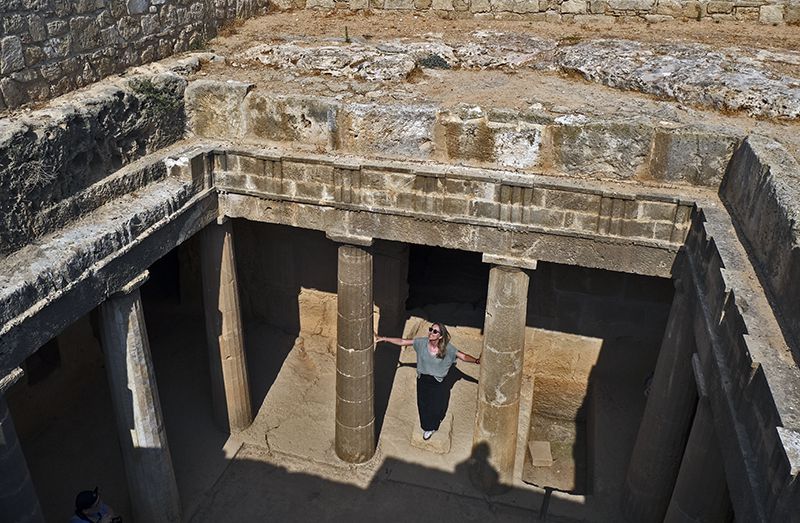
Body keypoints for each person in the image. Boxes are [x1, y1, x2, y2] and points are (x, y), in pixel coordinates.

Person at [376, 322, 480, 441]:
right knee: (423, 405)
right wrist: (383, 338)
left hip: (437, 382)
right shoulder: (422, 343)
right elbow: (403, 341)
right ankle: (427, 427)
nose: (431, 333)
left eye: (435, 331)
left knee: (436, 406)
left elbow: (463, 356)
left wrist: (477, 361)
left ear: (440, 336)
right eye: (431, 329)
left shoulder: (448, 349)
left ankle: (432, 426)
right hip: (423, 380)